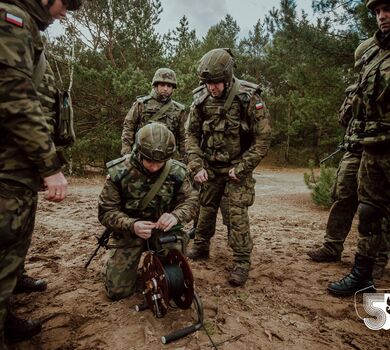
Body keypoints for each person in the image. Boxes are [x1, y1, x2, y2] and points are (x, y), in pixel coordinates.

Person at [0, 0, 81, 346]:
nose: (69, 11)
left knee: (13, 245)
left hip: (17, 168)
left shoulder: (27, 27)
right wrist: (51, 166)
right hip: (6, 167)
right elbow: (15, 99)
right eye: (69, 2)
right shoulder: (11, 20)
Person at [186, 48, 272, 286]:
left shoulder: (248, 97)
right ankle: (201, 245)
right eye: (207, 83)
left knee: (236, 214)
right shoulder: (200, 99)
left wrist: (243, 167)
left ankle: (242, 261)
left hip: (236, 168)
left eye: (216, 83)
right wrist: (196, 165)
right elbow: (191, 135)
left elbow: (263, 139)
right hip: (210, 167)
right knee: (205, 207)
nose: (212, 88)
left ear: (227, 77)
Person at [307, 40, 389, 278]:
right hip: (354, 149)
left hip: (378, 148)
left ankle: (377, 259)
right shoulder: (357, 88)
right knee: (343, 197)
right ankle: (332, 246)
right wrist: (354, 96)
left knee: (375, 207)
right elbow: (343, 119)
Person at [328, 0, 390, 296]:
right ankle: (363, 275)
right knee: (368, 210)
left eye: (388, 9)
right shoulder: (373, 55)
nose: (382, 16)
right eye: (378, 11)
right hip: (373, 147)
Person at [98, 123, 198, 301]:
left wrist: (176, 216)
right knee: (117, 292)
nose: (154, 167)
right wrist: (131, 225)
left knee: (176, 281)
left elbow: (191, 202)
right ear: (138, 151)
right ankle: (115, 266)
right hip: (129, 232)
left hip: (163, 231)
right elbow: (106, 211)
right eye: (149, 161)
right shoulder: (119, 172)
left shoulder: (177, 172)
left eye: (160, 162)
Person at [121, 68, 187, 161]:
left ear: (173, 88)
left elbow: (183, 138)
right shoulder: (142, 104)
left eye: (169, 86)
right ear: (155, 86)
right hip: (141, 157)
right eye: (162, 85)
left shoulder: (179, 110)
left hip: (166, 159)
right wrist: (126, 152)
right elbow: (128, 128)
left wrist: (185, 160)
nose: (165, 89)